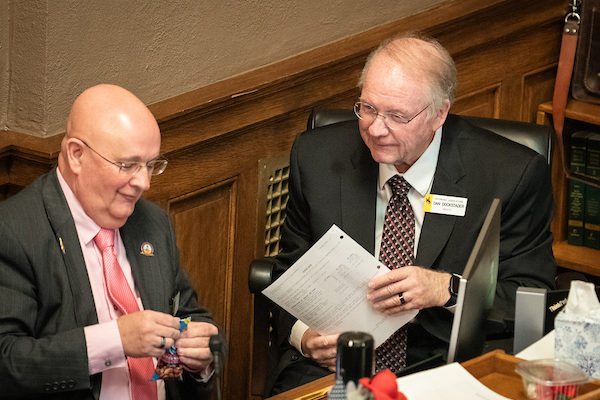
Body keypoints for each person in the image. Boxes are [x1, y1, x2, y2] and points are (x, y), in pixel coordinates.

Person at [267, 32, 556, 395]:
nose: (376, 129)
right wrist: (304, 336)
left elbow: (531, 298)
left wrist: (448, 289)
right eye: (368, 108)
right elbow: (288, 273)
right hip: (331, 364)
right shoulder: (317, 158)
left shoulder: (509, 174)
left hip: (443, 364)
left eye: (397, 116)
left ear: (439, 114)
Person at [0, 84, 221, 399]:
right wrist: (115, 341)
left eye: (151, 165)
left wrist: (201, 355)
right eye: (128, 165)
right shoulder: (14, 232)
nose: (144, 182)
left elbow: (188, 315)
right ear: (77, 155)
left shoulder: (152, 223)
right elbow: (8, 362)